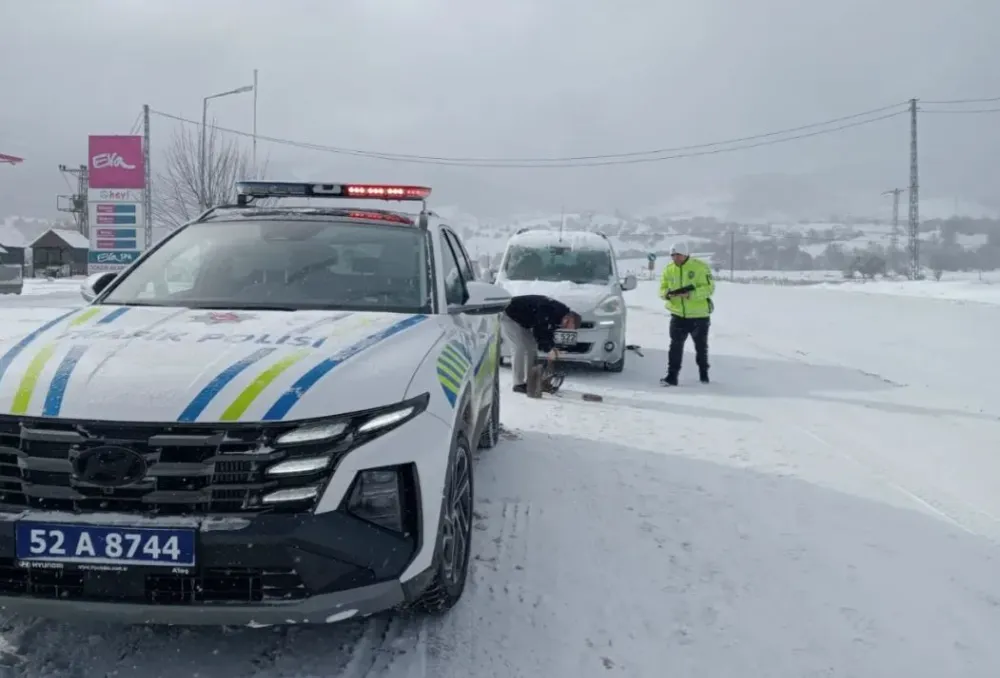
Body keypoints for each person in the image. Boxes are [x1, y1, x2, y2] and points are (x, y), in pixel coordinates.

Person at [658, 242, 715, 386]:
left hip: (699, 316)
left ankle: (704, 375)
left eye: (678, 255)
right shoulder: (668, 270)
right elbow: (662, 288)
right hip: (678, 315)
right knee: (675, 347)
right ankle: (672, 376)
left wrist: (690, 294)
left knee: (701, 347)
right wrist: (667, 294)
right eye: (673, 255)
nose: (675, 258)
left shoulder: (700, 267)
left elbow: (709, 288)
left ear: (686, 254)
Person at [501, 295, 582, 394]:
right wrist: (549, 349)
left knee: (531, 348)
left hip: (523, 321)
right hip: (510, 315)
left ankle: (530, 380)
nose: (566, 329)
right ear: (568, 318)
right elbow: (540, 331)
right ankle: (518, 383)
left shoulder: (559, 315)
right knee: (520, 347)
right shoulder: (549, 310)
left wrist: (552, 348)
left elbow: (548, 332)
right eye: (569, 327)